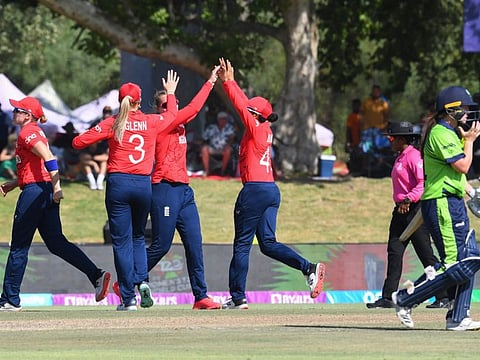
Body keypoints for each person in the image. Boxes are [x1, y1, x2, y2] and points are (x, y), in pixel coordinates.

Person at [217, 58, 326, 309]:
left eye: (250, 112)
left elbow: (241, 106)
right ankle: (308, 267)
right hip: (270, 190)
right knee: (268, 244)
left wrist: (229, 82)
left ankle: (238, 297)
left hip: (254, 190)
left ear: (255, 115)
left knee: (242, 245)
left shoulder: (255, 128)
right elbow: (247, 107)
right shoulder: (265, 128)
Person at [112, 65, 222, 310]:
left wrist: (211, 81)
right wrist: (203, 84)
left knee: (194, 243)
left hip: (184, 190)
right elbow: (189, 109)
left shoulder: (179, 123)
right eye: (165, 105)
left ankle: (201, 296)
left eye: (172, 103)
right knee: (162, 245)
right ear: (158, 110)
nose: (171, 107)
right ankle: (126, 281)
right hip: (163, 188)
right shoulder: (159, 125)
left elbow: (192, 108)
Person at [72, 72, 180, 311]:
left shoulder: (113, 123)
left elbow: (78, 143)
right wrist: (170, 93)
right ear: (139, 102)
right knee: (139, 238)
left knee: (121, 243)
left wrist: (98, 128)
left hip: (119, 183)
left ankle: (128, 299)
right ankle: (143, 280)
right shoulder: (152, 121)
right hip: (143, 184)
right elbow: (172, 116)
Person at [0, 96, 111, 311]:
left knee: (19, 246)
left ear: (28, 115)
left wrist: (58, 187)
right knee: (56, 243)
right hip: (42, 190)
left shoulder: (27, 132)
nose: (13, 112)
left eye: (17, 110)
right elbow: (36, 166)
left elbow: (49, 157)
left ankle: (10, 299)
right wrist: (15, 183)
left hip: (37, 193)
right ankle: (96, 275)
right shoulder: (33, 131)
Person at [393, 86, 480, 330]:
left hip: (452, 201)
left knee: (469, 258)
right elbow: (462, 166)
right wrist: (470, 141)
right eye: (463, 109)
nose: (468, 115)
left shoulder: (452, 133)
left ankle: (458, 316)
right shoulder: (441, 133)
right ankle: (405, 299)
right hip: (442, 203)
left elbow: (454, 176)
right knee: (454, 263)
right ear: (450, 110)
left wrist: (471, 193)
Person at [366, 121, 448, 309]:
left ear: (403, 139)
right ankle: (388, 297)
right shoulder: (400, 157)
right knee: (394, 252)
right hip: (400, 210)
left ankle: (443, 296)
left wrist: (408, 200)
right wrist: (402, 202)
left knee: (426, 255)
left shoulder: (414, 156)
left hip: (415, 211)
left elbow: (422, 183)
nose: (390, 141)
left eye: (392, 137)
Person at [78, 106, 112, 190]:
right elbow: (82, 157)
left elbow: (106, 156)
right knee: (86, 163)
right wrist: (93, 163)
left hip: (100, 154)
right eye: (105, 113)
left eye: (108, 113)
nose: (107, 115)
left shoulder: (112, 125)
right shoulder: (96, 124)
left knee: (104, 162)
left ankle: (99, 182)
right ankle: (92, 182)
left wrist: (94, 159)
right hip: (91, 155)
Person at [201, 110, 236, 176]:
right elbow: (204, 138)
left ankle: (222, 171)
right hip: (213, 148)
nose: (223, 120)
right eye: (221, 119)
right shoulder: (211, 127)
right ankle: (207, 170)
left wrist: (228, 144)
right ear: (218, 119)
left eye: (224, 119)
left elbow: (232, 138)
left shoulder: (229, 128)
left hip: (224, 148)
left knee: (228, 150)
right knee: (204, 149)